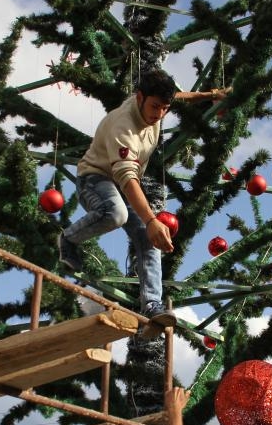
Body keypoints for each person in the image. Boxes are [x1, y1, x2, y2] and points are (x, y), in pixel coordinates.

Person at [57, 70, 226, 328]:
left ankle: (152, 305)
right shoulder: (123, 126)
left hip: (121, 185)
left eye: (164, 109)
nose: (158, 114)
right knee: (118, 214)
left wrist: (211, 95)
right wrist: (150, 220)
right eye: (155, 107)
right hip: (93, 179)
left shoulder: (157, 105)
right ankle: (68, 239)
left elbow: (179, 97)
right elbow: (127, 179)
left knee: (149, 239)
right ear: (139, 97)